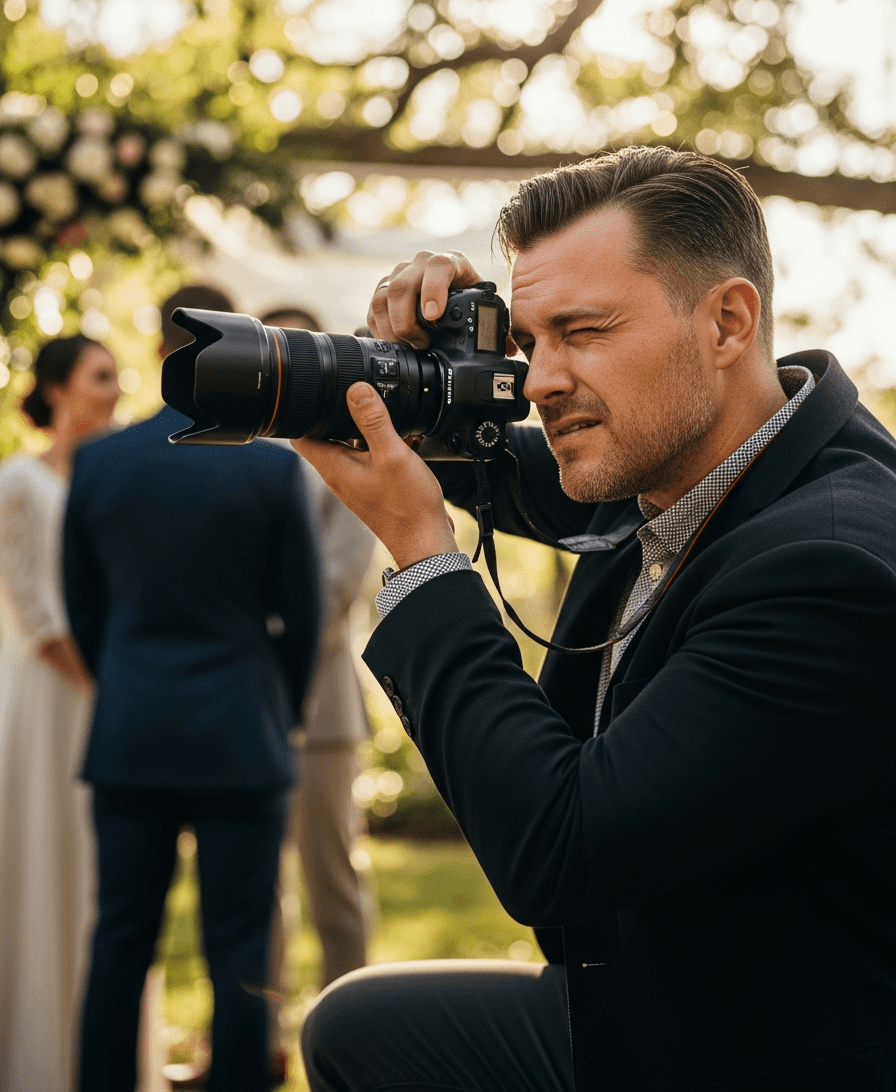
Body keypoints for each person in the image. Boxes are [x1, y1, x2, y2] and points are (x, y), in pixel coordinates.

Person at [296, 147, 896, 1092]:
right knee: (356, 1028)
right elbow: (512, 467)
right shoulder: (698, 464)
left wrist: (423, 552)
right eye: (530, 341)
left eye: (581, 331)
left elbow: (561, 849)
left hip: (776, 1053)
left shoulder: (831, 567)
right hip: (664, 1003)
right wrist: (420, 372)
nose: (537, 380)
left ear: (727, 322)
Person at [65, 285, 321, 1092]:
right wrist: (279, 703)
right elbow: (304, 617)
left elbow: (83, 608)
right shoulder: (270, 471)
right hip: (242, 734)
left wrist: (129, 681)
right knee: (242, 949)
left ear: (158, 347)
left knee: (119, 942)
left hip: (132, 730)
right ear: (232, 348)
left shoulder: (101, 462)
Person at [0, 335, 119, 1092]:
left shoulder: (117, 475)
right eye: (100, 377)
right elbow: (35, 614)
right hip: (51, 703)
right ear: (56, 390)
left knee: (107, 879)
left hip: (111, 696)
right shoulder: (17, 480)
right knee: (41, 859)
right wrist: (103, 684)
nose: (115, 390)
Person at [260, 308, 375, 1020]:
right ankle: (258, 1032)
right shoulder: (229, 448)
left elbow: (334, 592)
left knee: (332, 881)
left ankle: (352, 1025)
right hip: (246, 707)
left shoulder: (347, 450)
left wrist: (253, 648)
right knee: (253, 886)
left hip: (322, 706)